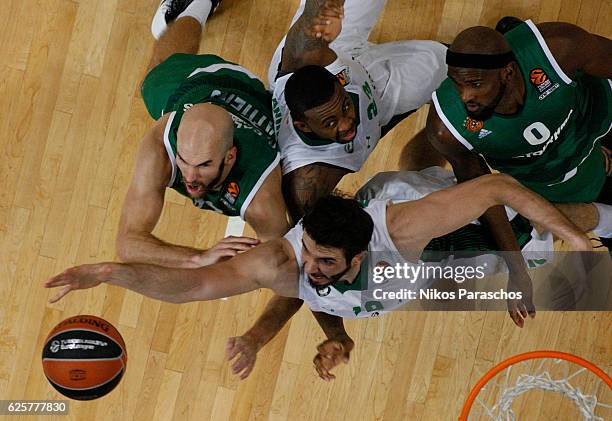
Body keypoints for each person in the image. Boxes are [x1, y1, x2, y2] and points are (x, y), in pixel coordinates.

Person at [45, 173, 594, 379]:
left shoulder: (399, 230)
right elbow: (193, 287)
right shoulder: (283, 264)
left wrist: (568, 238)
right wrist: (114, 272)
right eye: (308, 252)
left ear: (359, 256)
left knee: (556, 228)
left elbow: (493, 187)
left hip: (440, 241)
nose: (310, 267)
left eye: (326, 261)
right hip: (419, 275)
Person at [117, 0, 290, 268]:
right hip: (196, 86)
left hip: (241, 88)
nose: (189, 176)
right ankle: (196, 6)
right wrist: (197, 257)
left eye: (204, 165)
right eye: (184, 160)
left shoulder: (260, 197)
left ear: (230, 156)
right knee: (154, 76)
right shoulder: (161, 146)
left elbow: (282, 263)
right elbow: (128, 244)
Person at [425, 19, 612, 258]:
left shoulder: (558, 48)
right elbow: (484, 194)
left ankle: (512, 32)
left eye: (474, 84)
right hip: (550, 173)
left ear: (508, 72)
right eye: (457, 84)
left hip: (594, 117)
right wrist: (517, 268)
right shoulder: (447, 128)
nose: (465, 96)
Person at [269, 0, 448, 220]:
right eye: (331, 123)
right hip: (379, 98)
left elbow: (316, 11)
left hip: (354, 66)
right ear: (302, 126)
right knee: (451, 67)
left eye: (345, 108)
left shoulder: (309, 52)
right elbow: (312, 237)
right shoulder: (307, 182)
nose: (346, 124)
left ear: (338, 82)